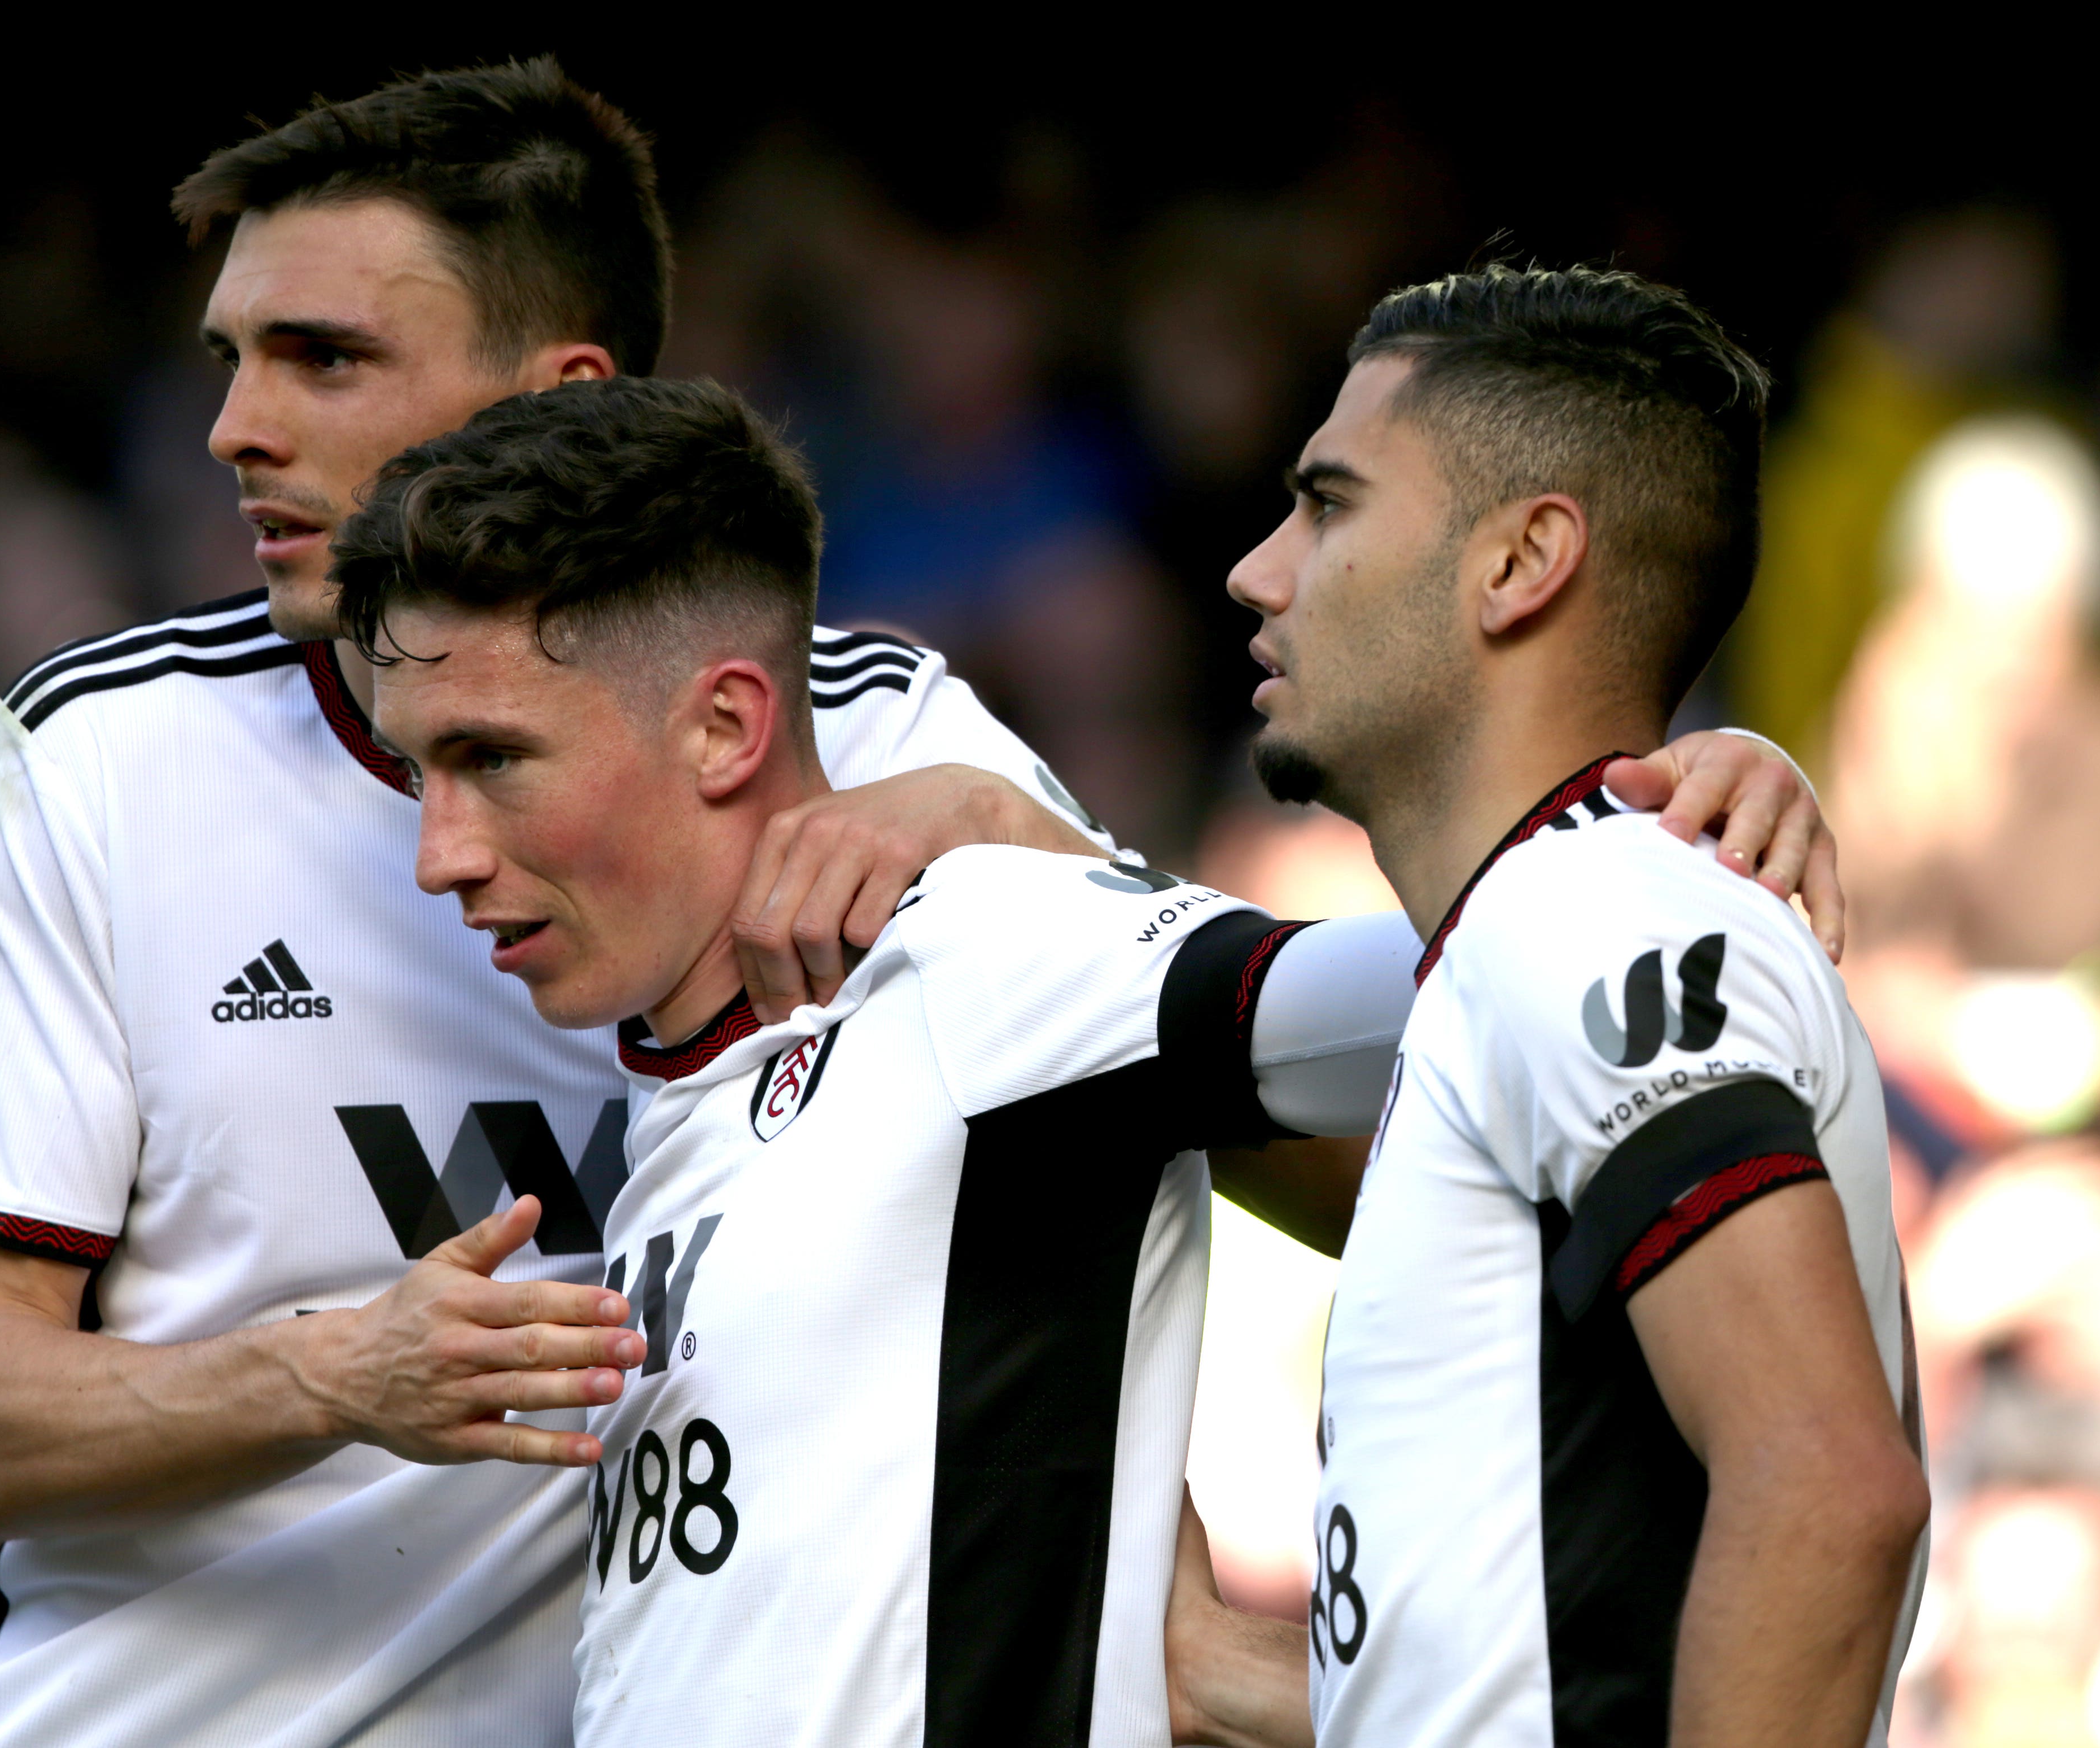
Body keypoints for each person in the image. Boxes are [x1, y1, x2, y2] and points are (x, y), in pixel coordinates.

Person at [0, 60, 1840, 1748]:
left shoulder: (892, 739)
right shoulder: (102, 754)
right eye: (228, 356)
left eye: (322, 357)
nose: (235, 424)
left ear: (551, 396)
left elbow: (1265, 1114)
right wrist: (342, 1369)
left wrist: (1623, 846)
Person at [343, 372, 1430, 1747]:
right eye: (417, 773)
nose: (441, 855)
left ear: (727, 726)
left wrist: (1658, 852)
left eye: (493, 758)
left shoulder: (979, 945)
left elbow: (1444, 986)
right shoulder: (683, 1085)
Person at [1172, 265, 1928, 1748]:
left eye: (1327, 503)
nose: (1257, 571)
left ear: (1521, 562)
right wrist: (1223, 1675)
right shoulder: (1536, 934)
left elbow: (1828, 1487)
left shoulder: (1594, 909)